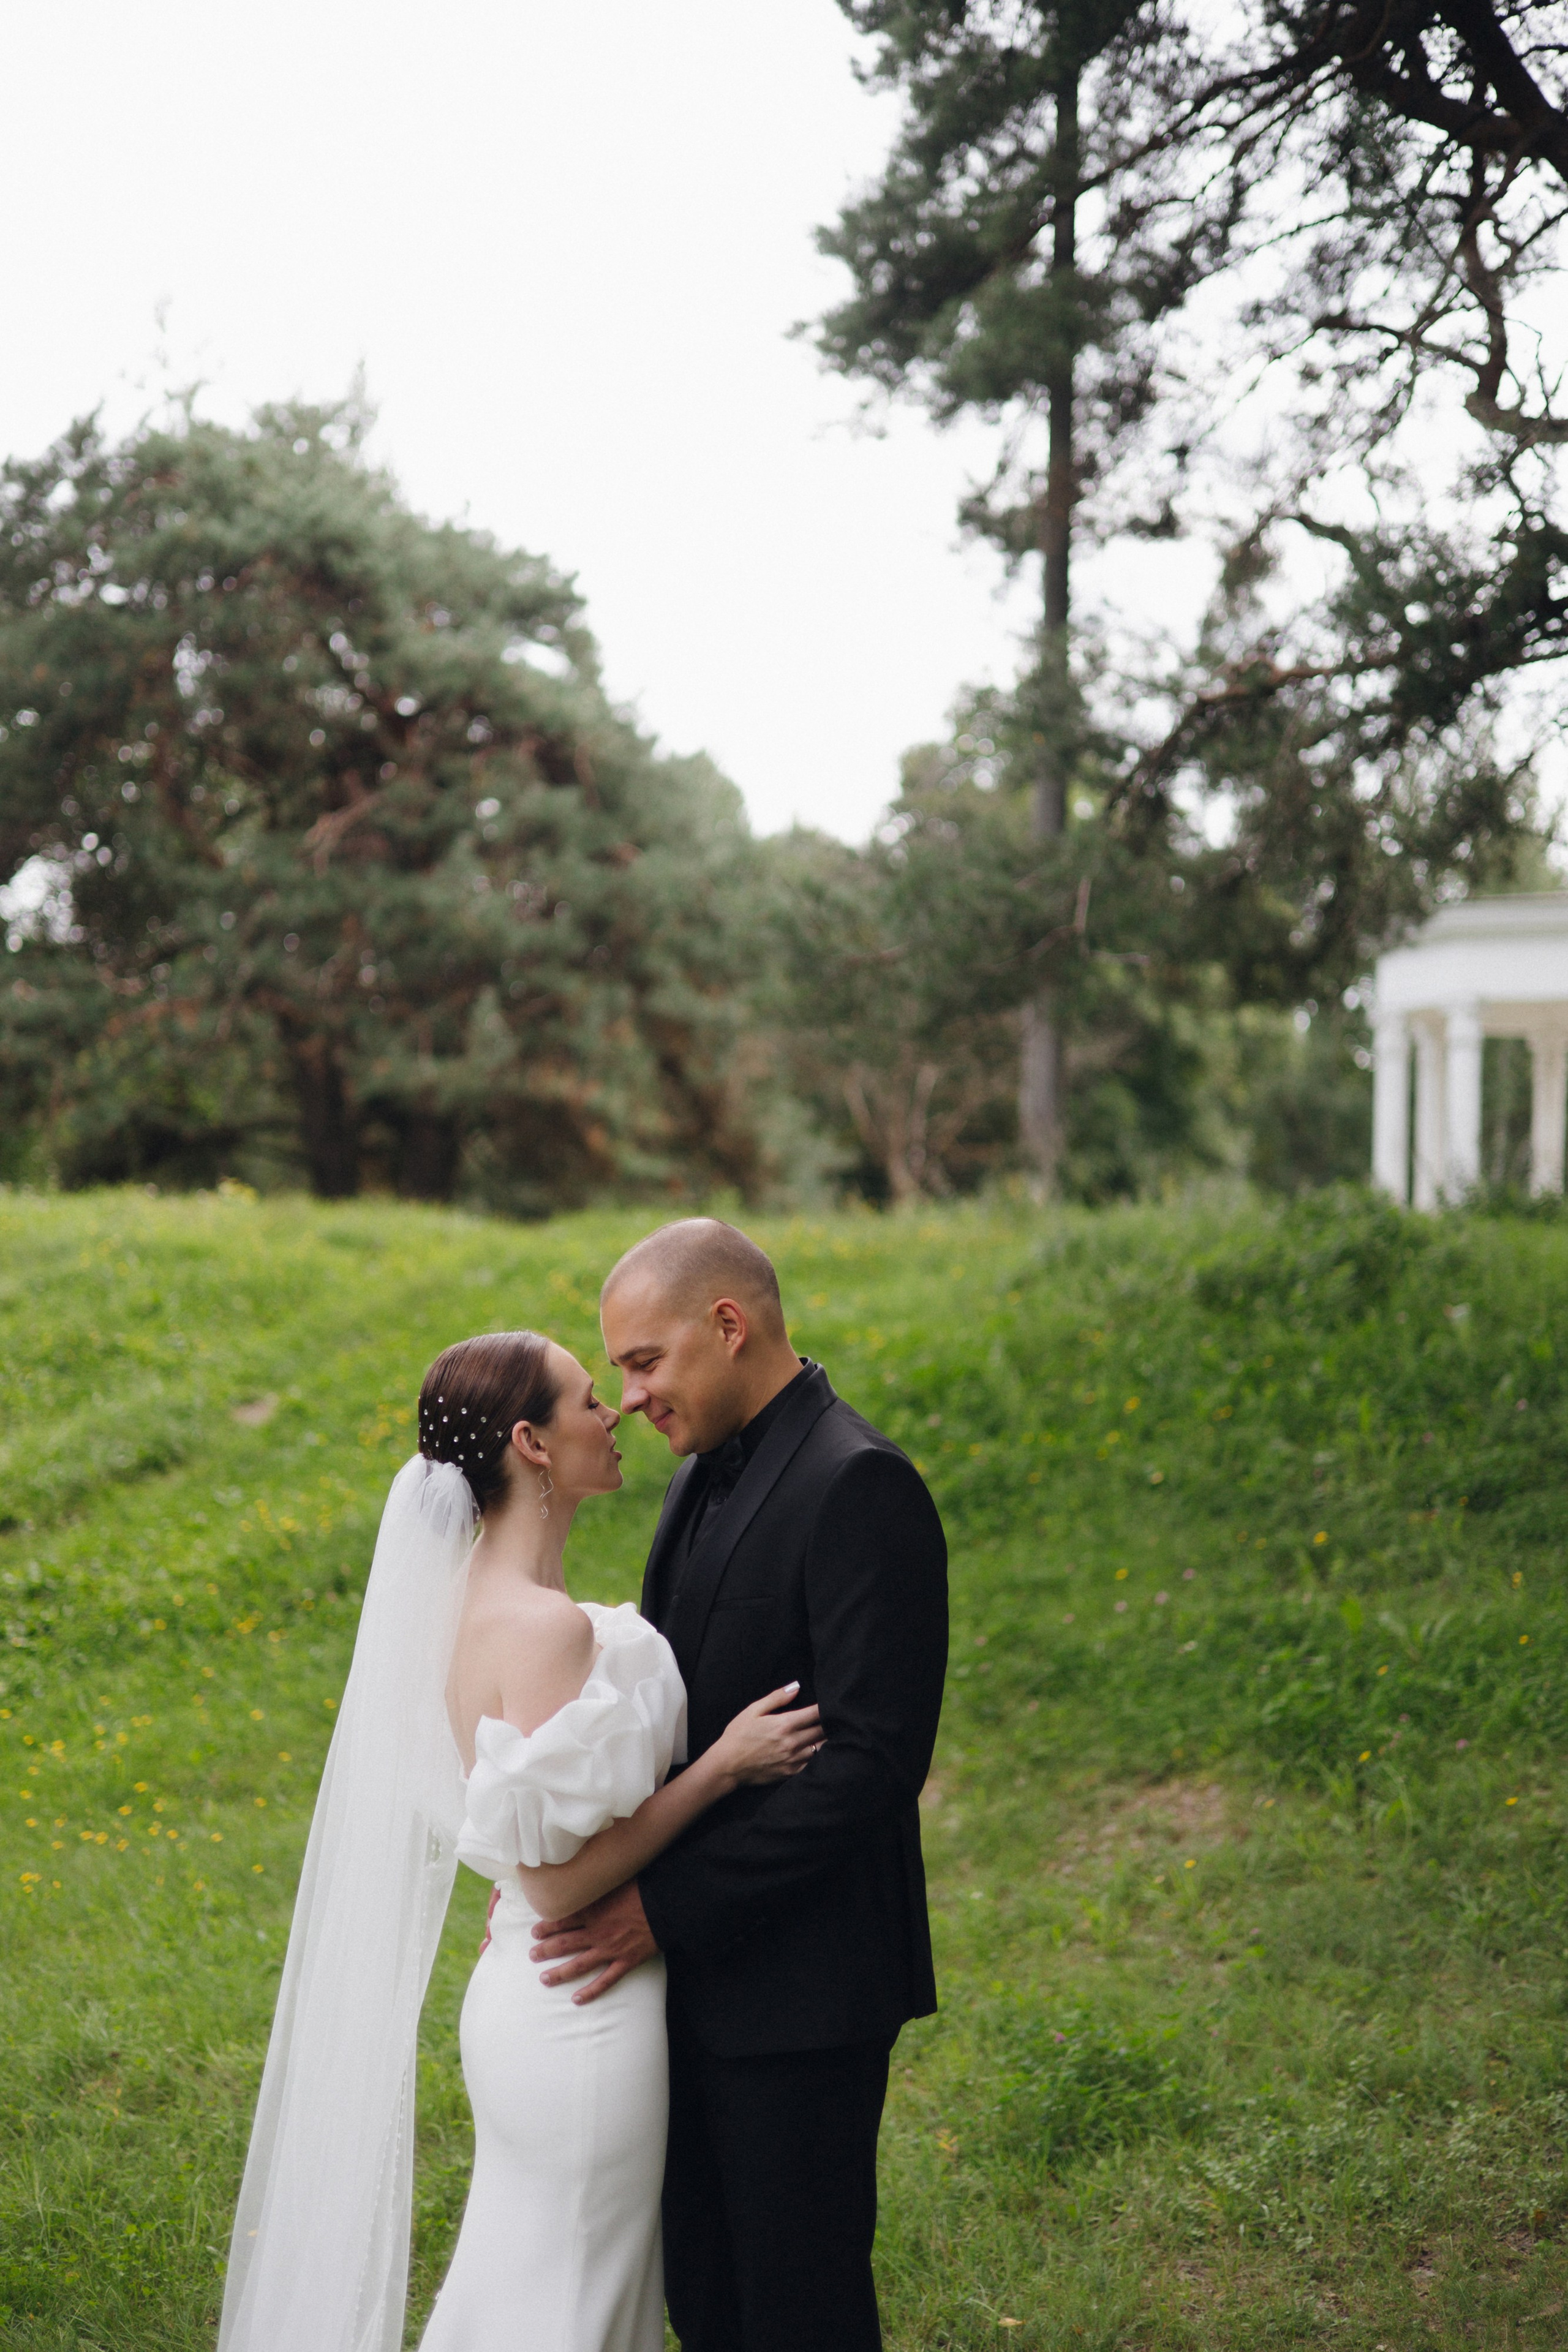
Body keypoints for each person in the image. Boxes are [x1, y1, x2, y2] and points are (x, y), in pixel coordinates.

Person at [217, 1326, 820, 2352]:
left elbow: (524, 1837)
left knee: (537, 2282)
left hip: (528, 1998)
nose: (617, 1410)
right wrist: (725, 1764)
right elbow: (556, 1884)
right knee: (572, 2299)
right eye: (591, 1399)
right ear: (533, 1445)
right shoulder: (547, 1631)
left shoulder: (473, 1608)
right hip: (579, 2003)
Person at [530, 1218, 949, 2352]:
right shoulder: (694, 1480)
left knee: (797, 2308)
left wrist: (659, 1908)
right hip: (693, 1987)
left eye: (643, 1361)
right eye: (617, 1370)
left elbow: (871, 1765)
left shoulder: (862, 1484)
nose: (626, 1396)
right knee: (706, 2298)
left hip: (806, 1991)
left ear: (729, 1325)